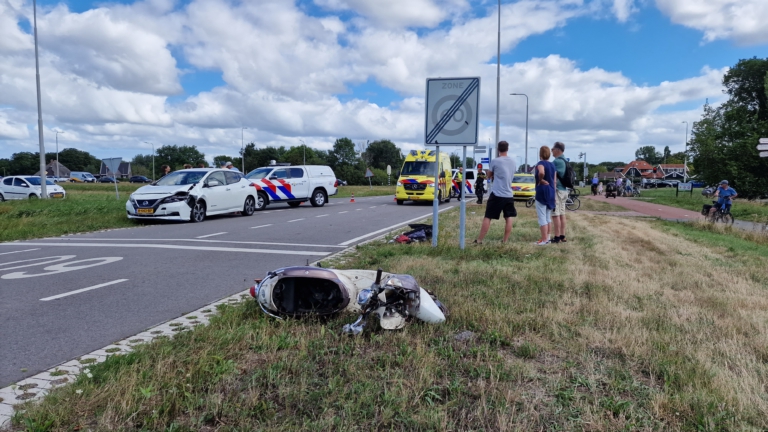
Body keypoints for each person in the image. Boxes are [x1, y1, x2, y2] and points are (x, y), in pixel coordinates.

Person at [475, 141, 517, 244]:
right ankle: (505, 241)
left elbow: (489, 175)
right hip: (508, 194)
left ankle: (479, 240)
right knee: (508, 217)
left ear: (498, 149)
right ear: (507, 149)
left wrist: (492, 174)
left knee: (488, 216)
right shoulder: (513, 162)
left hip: (497, 193)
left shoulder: (495, 161)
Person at [534, 146, 556, 246]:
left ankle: (544, 240)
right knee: (548, 216)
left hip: (542, 191)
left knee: (542, 216)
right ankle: (548, 238)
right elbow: (554, 181)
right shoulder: (552, 165)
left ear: (540, 154)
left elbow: (541, 171)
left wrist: (540, 179)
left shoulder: (540, 163)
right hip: (551, 190)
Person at [551, 142, 569, 244]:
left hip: (557, 190)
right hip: (564, 190)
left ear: (558, 150)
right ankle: (563, 235)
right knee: (562, 213)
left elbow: (552, 175)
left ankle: (557, 237)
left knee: (555, 214)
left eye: (552, 149)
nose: (551, 151)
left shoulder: (557, 161)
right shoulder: (565, 160)